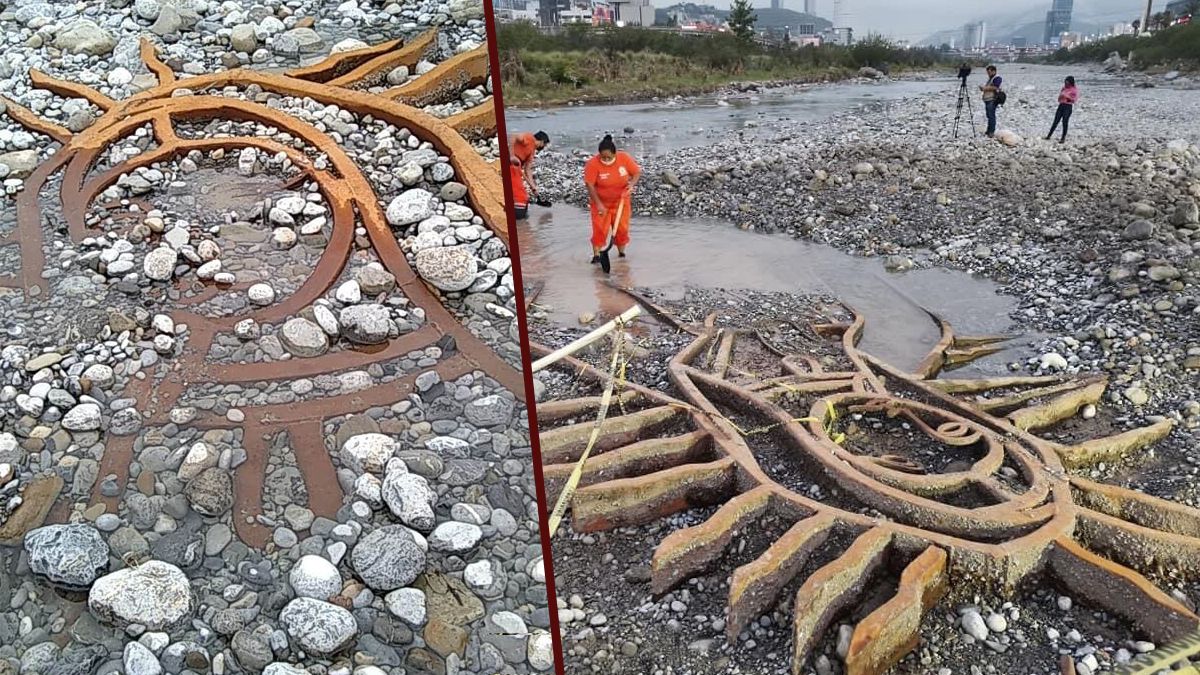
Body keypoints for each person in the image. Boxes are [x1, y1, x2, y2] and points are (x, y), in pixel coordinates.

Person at [584, 135, 640, 264]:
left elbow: (636, 173)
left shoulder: (624, 158)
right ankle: (597, 256)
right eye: (603, 157)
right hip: (600, 203)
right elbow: (590, 185)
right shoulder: (592, 164)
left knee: (622, 230)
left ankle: (621, 255)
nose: (606, 159)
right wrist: (598, 204)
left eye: (609, 157)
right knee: (600, 230)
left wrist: (631, 184)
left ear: (615, 154)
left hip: (621, 202)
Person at [508, 131, 550, 219]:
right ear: (542, 141)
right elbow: (512, 136)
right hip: (511, 165)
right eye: (544, 145)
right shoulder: (529, 138)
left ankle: (522, 220)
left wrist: (533, 187)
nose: (543, 147)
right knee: (520, 197)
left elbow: (528, 170)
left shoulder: (532, 152)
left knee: (524, 198)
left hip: (516, 169)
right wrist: (512, 156)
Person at [1046, 76, 1078, 143]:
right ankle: (1049, 135)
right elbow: (1059, 99)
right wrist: (1060, 97)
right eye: (1065, 82)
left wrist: (1066, 96)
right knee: (1056, 121)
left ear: (1071, 82)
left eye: (1067, 82)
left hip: (1068, 106)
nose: (1066, 83)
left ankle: (1063, 138)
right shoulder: (1063, 88)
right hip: (1061, 105)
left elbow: (1074, 100)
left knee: (1065, 122)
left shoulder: (1074, 90)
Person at [979, 65, 1002, 137]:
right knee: (989, 115)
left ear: (994, 71)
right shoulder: (990, 78)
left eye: (989, 72)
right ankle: (988, 130)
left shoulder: (997, 78)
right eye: (987, 72)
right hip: (987, 99)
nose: (988, 74)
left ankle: (991, 132)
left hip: (992, 99)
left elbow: (996, 87)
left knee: (991, 116)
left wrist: (985, 88)